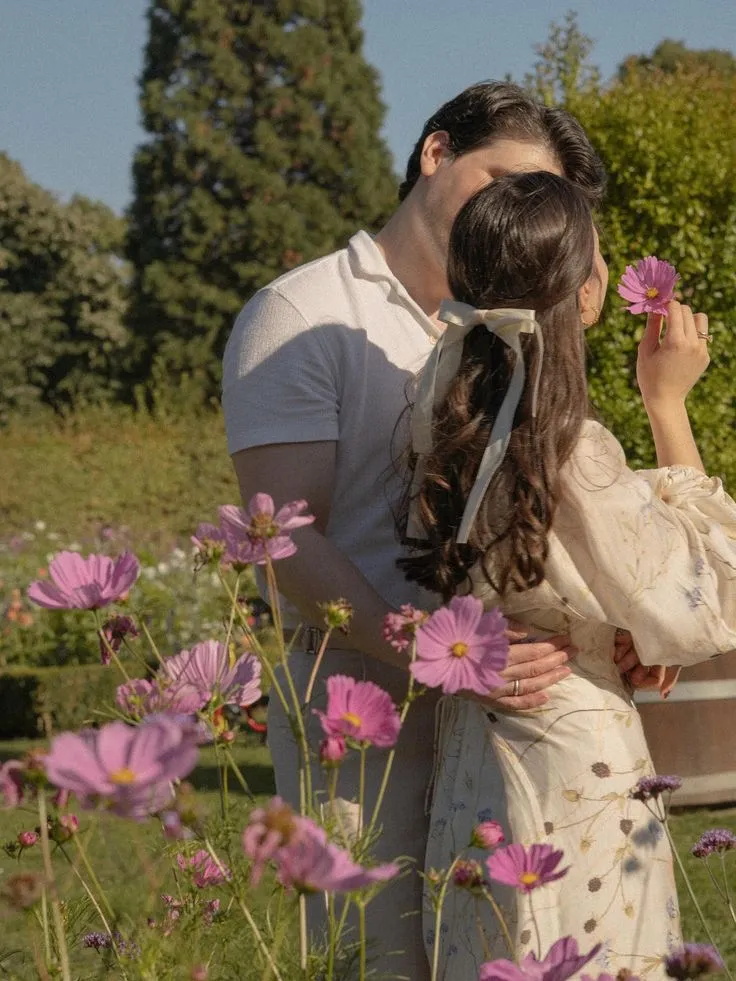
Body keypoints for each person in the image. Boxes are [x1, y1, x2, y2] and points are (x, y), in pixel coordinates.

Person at [222, 82, 653, 977]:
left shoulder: (513, 320)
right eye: (504, 181)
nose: (510, 213)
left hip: (501, 726)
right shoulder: (300, 314)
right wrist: (430, 651)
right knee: (373, 961)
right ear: (435, 154)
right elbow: (279, 533)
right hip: (360, 712)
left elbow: (546, 513)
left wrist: (618, 628)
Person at [400, 169, 736, 979]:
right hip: (575, 751)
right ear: (586, 295)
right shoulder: (571, 449)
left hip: (474, 754)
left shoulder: (438, 414)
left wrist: (619, 624)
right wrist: (667, 405)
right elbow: (705, 591)